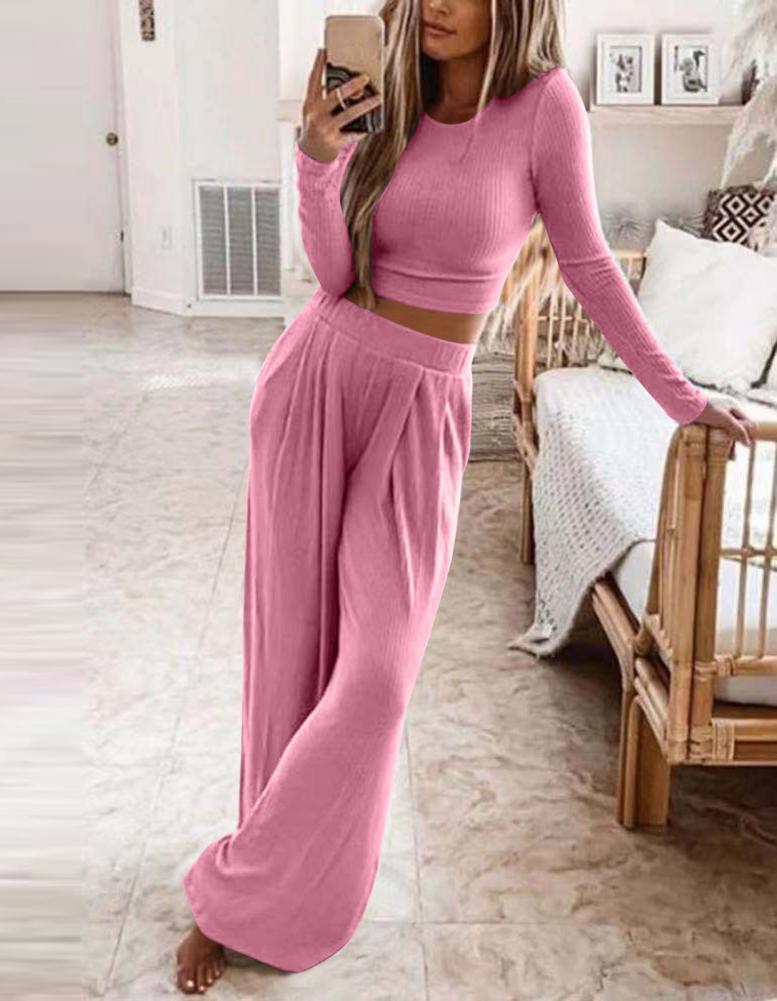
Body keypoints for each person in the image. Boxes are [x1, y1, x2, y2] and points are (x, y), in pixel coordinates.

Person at [174, 0, 753, 993]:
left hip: (420, 409)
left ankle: (245, 883)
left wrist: (679, 396)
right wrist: (314, 159)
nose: (435, 3)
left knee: (373, 678)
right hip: (317, 382)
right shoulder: (387, 88)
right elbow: (334, 274)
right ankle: (239, 901)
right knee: (288, 655)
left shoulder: (544, 107)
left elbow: (587, 267)